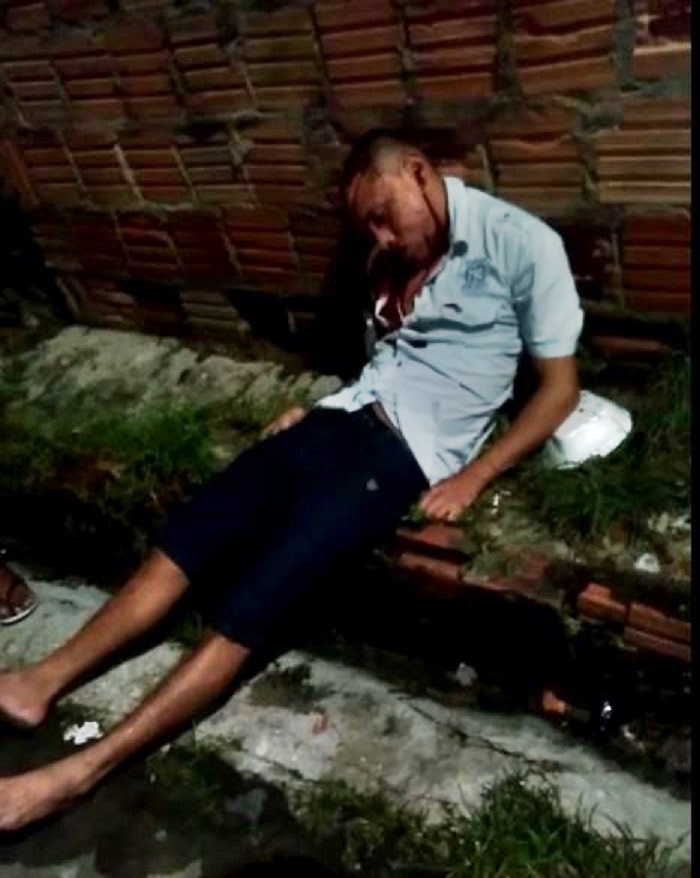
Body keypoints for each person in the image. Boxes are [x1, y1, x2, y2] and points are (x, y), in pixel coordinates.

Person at [0, 129, 582, 831]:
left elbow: (560, 391)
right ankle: (39, 680)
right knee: (189, 537)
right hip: (337, 418)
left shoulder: (522, 244)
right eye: (367, 226)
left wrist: (477, 475)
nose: (379, 237)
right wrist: (321, 406)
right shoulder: (391, 257)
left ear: (418, 173)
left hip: (398, 455)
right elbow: (388, 355)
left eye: (382, 217)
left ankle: (76, 773)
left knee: (256, 600)